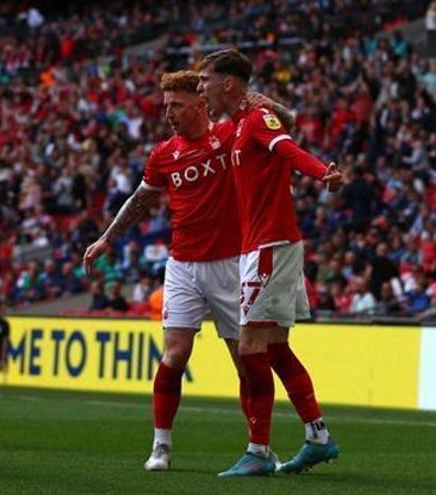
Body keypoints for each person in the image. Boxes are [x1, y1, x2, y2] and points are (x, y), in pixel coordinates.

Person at [84, 70, 294, 472]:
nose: (169, 114)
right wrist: (107, 239)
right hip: (182, 265)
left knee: (246, 362)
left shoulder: (231, 132)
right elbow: (140, 200)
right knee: (175, 353)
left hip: (232, 264)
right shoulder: (164, 153)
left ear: (200, 104)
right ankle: (161, 445)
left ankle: (258, 447)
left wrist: (268, 104)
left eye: (177, 105)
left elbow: (287, 126)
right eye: (166, 106)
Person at [198, 48, 343, 477]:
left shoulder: (259, 120)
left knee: (249, 348)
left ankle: (258, 450)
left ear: (228, 82)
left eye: (206, 79)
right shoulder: (240, 123)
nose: (202, 87)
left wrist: (323, 174)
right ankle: (318, 438)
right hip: (262, 245)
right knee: (275, 348)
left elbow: (288, 148)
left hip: (270, 246)